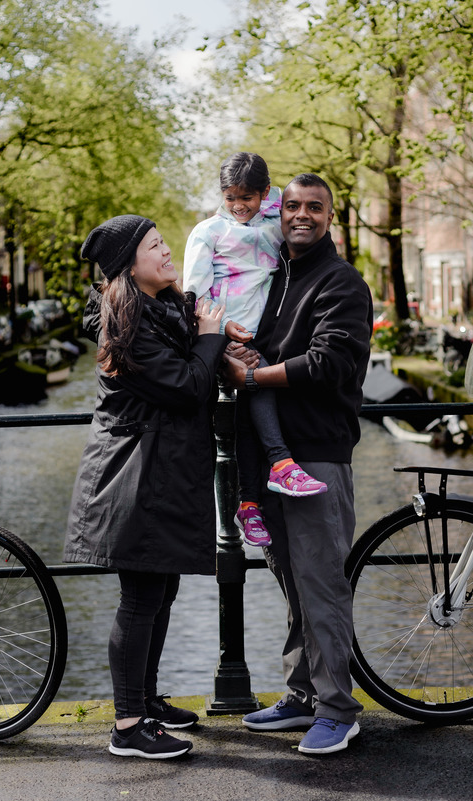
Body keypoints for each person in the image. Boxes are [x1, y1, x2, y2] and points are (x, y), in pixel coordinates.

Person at [64, 214, 227, 760]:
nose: (166, 250)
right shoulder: (128, 327)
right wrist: (210, 337)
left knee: (161, 591)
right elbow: (188, 388)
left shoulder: (160, 311)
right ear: (129, 266)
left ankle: (146, 700)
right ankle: (127, 726)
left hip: (159, 473)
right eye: (155, 245)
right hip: (133, 479)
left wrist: (219, 338)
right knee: (139, 599)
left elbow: (197, 363)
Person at [222, 174, 373, 755]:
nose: (301, 215)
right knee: (292, 583)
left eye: (314, 207)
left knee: (320, 584)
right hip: (267, 455)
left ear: (330, 217)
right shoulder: (273, 275)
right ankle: (303, 694)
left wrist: (254, 374)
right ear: (275, 212)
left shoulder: (342, 283)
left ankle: (339, 709)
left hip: (316, 454)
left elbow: (330, 362)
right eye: (292, 206)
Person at [183, 152, 328, 549]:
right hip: (224, 337)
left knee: (248, 409)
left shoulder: (274, 224)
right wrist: (221, 335)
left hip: (260, 338)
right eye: (230, 197)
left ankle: (248, 505)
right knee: (257, 383)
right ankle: (280, 465)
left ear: (264, 193)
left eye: (247, 197)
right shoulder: (208, 232)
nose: (238, 206)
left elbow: (301, 218)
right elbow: (194, 293)